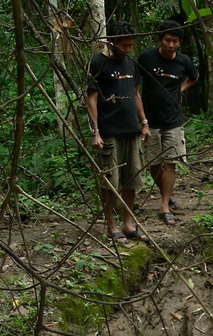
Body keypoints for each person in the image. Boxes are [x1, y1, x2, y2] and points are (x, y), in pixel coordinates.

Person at [86, 20, 151, 243]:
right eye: (124, 45)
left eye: (131, 45)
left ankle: (127, 223)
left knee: (132, 178)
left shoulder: (130, 63)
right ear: (112, 42)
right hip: (109, 131)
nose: (128, 49)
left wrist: (144, 122)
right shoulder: (98, 63)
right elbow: (91, 99)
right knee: (109, 181)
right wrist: (95, 132)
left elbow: (136, 94)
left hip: (131, 129)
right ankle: (111, 225)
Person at [138, 20, 199, 225]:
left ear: (179, 42)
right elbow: (135, 84)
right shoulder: (146, 57)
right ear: (159, 40)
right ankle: (167, 195)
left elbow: (194, 76)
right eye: (167, 40)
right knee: (154, 164)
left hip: (173, 120)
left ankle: (164, 205)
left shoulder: (183, 61)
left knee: (171, 162)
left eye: (175, 41)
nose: (171, 45)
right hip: (150, 120)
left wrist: (180, 89)